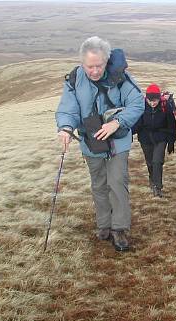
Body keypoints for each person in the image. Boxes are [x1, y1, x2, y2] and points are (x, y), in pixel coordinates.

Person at [55, 36, 144, 251]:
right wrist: (65, 127)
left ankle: (120, 228)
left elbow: (137, 103)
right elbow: (68, 109)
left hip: (117, 143)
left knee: (117, 183)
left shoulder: (120, 77)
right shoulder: (75, 79)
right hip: (91, 142)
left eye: (99, 65)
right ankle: (104, 224)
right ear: (82, 63)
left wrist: (117, 122)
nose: (95, 71)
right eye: (90, 66)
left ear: (106, 62)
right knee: (99, 185)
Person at [132, 84, 176, 198]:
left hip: (161, 137)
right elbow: (136, 124)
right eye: (150, 101)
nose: (152, 103)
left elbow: (172, 125)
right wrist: (128, 133)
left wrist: (171, 142)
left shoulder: (165, 106)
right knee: (150, 162)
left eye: (155, 100)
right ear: (146, 99)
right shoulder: (141, 107)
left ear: (159, 98)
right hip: (145, 138)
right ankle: (152, 179)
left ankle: (157, 187)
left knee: (157, 161)